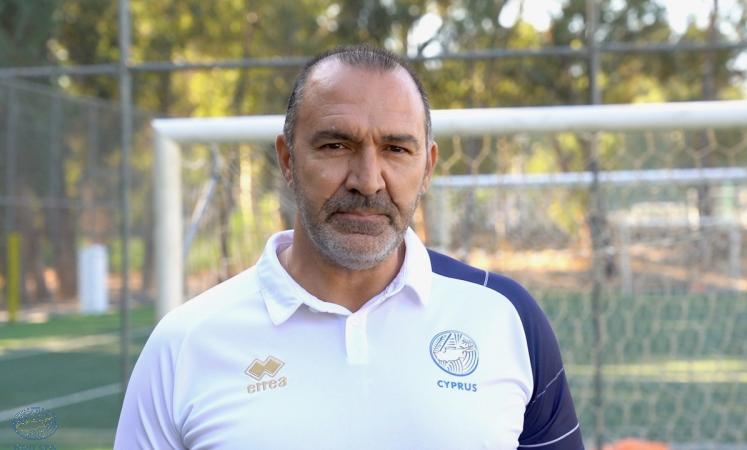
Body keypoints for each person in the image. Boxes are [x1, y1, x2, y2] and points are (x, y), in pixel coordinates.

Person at [115, 45, 583, 450]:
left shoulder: (505, 316)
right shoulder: (185, 343)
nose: (368, 180)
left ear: (427, 167)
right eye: (337, 145)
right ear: (287, 159)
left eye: (396, 149)